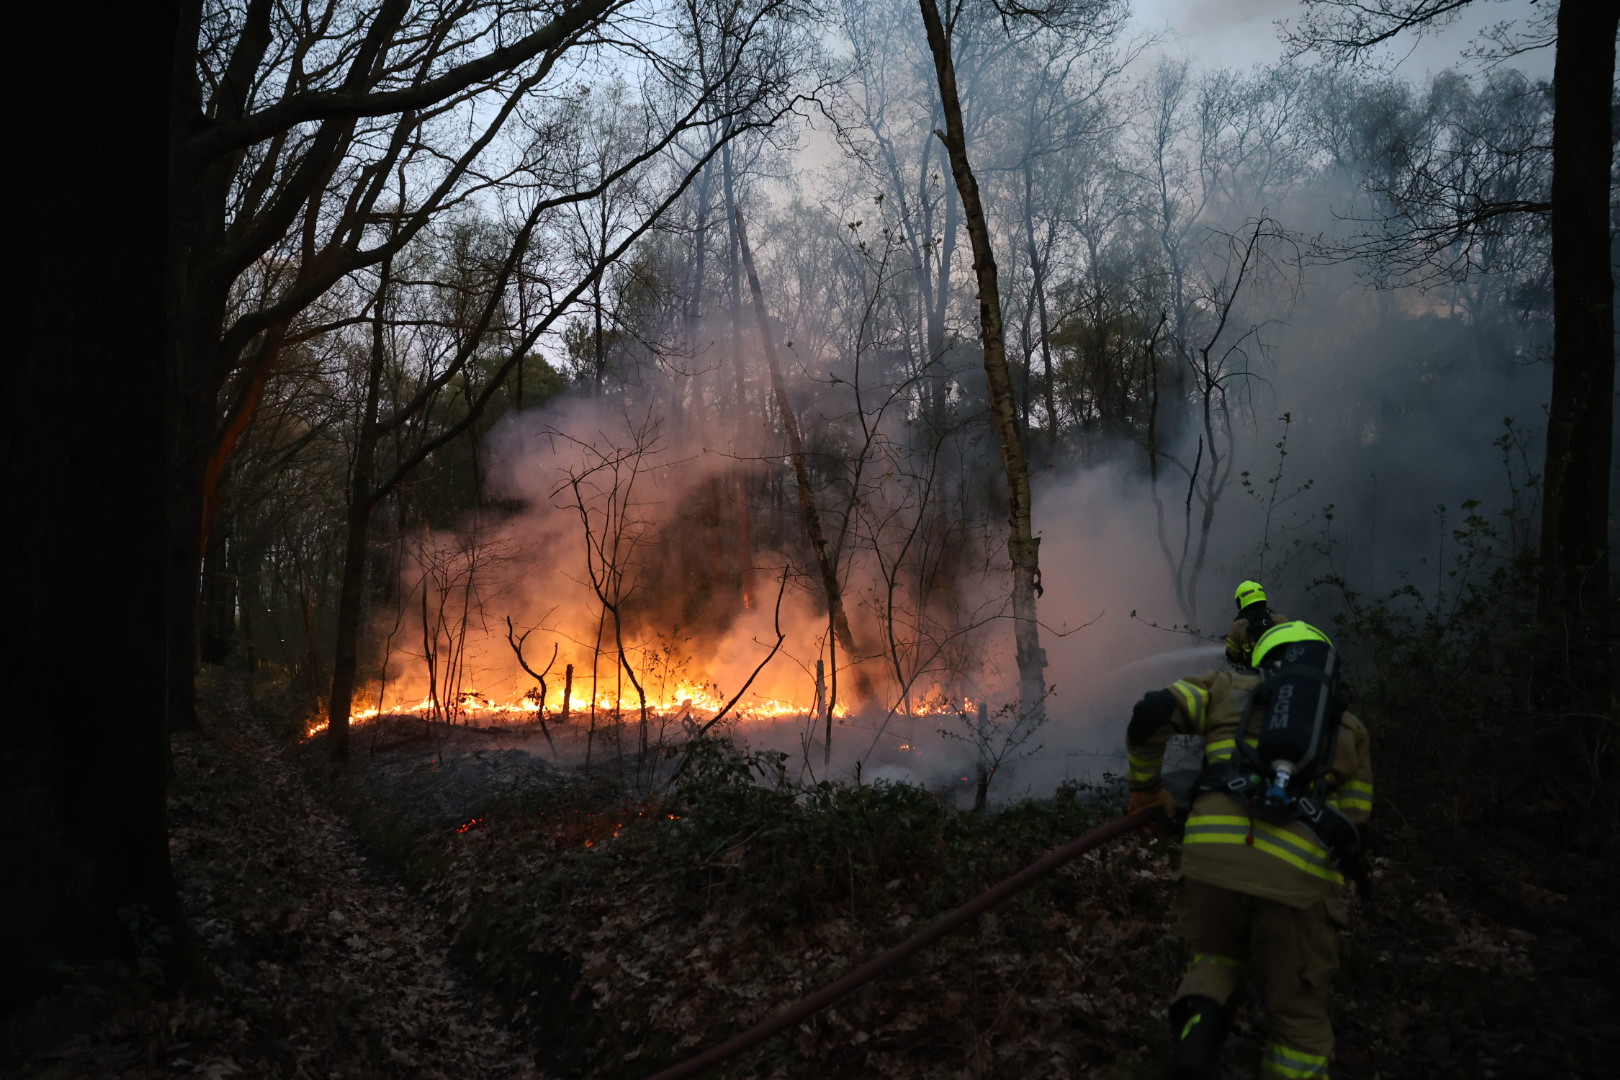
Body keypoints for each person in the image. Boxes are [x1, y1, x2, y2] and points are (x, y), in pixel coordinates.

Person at [1125, 621, 1374, 1080]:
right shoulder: (1349, 728)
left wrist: (1144, 790)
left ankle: (1195, 1048)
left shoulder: (1226, 687)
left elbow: (1151, 713)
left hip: (1208, 861)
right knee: (1298, 1018)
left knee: (1216, 960)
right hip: (1294, 883)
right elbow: (1355, 827)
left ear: (1264, 657)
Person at [1225, 580, 1287, 667]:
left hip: (1258, 675)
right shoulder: (1281, 619)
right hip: (1284, 669)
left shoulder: (1238, 626)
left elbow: (1232, 657)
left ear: (1240, 601)